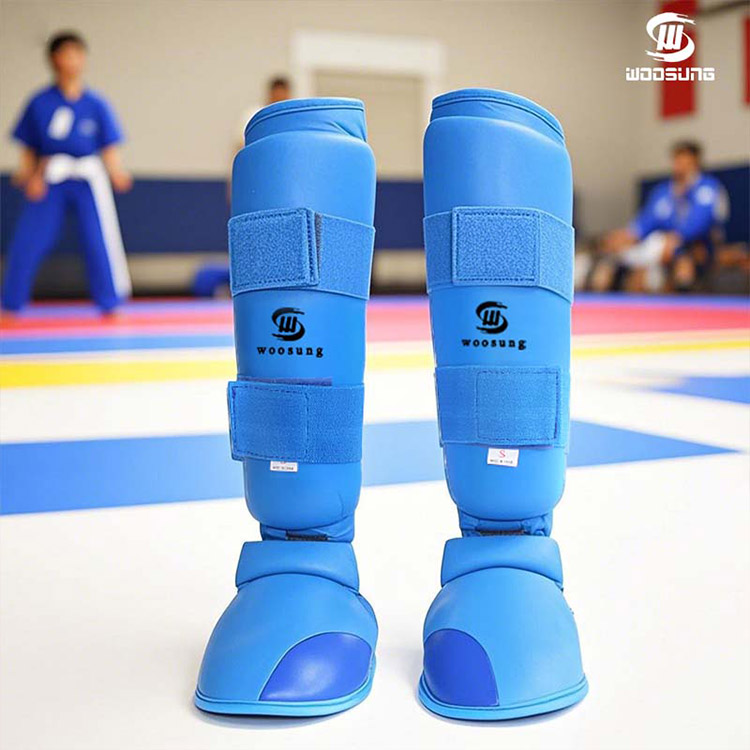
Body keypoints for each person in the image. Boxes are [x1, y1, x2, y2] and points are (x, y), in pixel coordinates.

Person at [2, 31, 132, 314]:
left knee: (98, 239)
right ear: (54, 59)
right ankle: (12, 302)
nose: (72, 60)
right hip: (50, 177)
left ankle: (109, 302)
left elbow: (109, 145)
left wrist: (116, 172)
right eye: (66, 54)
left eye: (77, 54)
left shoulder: (96, 103)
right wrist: (29, 175)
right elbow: (29, 146)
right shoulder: (40, 102)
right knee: (29, 238)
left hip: (88, 179)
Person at [594, 141, 728, 292]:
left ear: (695, 163)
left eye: (686, 162)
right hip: (659, 245)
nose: (680, 166)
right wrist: (627, 236)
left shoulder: (708, 188)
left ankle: (682, 299)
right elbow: (645, 222)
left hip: (697, 246)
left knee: (681, 261)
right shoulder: (663, 191)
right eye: (677, 161)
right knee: (617, 259)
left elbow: (701, 222)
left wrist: (677, 238)